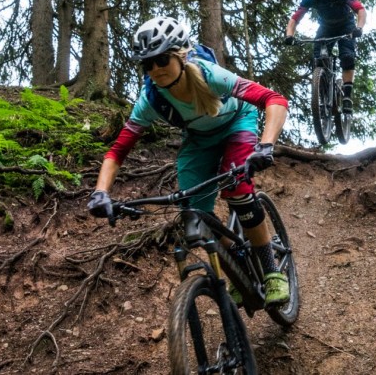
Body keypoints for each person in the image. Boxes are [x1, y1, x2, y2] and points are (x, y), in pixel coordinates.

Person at [87, 16, 290, 307]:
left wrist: (266, 146)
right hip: (200, 139)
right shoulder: (151, 99)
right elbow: (118, 151)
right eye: (148, 64)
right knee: (194, 214)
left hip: (237, 123)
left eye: (162, 60)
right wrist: (100, 192)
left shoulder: (209, 75)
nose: (155, 69)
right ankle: (239, 272)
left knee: (237, 191)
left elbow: (274, 100)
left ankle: (271, 271)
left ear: (181, 55)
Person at [285, 0, 367, 115]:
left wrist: (359, 28)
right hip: (326, 27)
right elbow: (295, 18)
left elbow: (360, 9)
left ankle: (347, 97)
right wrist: (289, 35)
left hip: (346, 24)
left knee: (347, 57)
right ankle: (323, 94)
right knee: (317, 59)